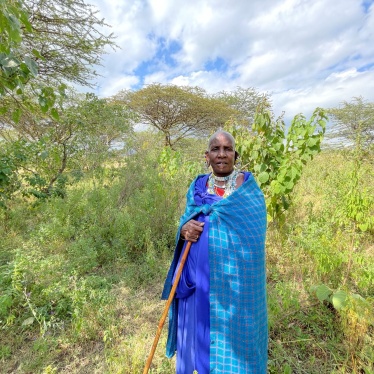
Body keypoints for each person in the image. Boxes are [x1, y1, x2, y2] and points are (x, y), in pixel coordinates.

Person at [162, 130, 268, 373]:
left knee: (235, 333)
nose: (222, 154)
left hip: (235, 282)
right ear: (206, 156)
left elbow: (254, 233)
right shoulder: (198, 186)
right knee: (201, 327)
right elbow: (185, 219)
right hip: (199, 278)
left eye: (227, 149)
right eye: (216, 149)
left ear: (235, 155)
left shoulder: (248, 189)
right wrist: (184, 228)